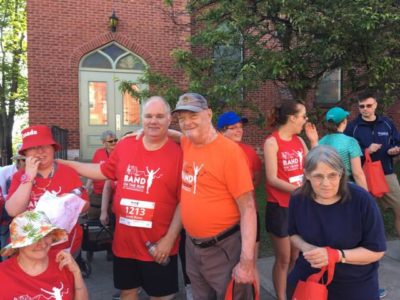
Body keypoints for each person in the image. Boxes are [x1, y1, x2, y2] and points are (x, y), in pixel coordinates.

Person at [58, 96, 183, 300]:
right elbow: (102, 171)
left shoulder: (179, 153)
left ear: (169, 120)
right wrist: (66, 164)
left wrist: (169, 240)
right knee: (127, 292)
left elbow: (184, 202)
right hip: (125, 243)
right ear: (141, 119)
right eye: (149, 116)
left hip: (159, 244)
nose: (153, 121)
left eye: (160, 116)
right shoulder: (126, 146)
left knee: (161, 296)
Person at [172, 93, 257, 299]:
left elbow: (248, 208)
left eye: (192, 115)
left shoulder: (229, 152)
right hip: (192, 246)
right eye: (182, 118)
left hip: (223, 248)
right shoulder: (189, 142)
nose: (186, 122)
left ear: (208, 114)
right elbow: (176, 135)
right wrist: (144, 131)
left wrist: (247, 263)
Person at [287, 145, 386, 299]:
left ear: (341, 174)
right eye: (318, 176)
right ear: (307, 174)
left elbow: (377, 251)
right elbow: (293, 233)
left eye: (332, 175)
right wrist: (307, 247)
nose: (326, 183)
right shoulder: (298, 199)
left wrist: (337, 255)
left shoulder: (362, 200)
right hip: (310, 280)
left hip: (354, 285)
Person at [5, 125, 89, 255]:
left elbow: (85, 206)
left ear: (53, 148)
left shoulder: (68, 172)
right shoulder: (19, 177)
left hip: (63, 247)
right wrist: (29, 177)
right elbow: (13, 211)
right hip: (29, 248)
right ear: (25, 153)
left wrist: (69, 202)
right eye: (32, 148)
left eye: (45, 146)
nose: (39, 151)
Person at [263, 100, 310, 300]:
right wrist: (299, 190)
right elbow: (272, 178)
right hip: (280, 208)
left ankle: (290, 292)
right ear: (292, 118)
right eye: (303, 116)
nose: (305, 120)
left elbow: (311, 166)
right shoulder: (272, 142)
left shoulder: (299, 141)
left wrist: (313, 141)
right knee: (283, 258)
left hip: (299, 207)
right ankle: (281, 297)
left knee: (295, 256)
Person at [217, 110, 262, 291]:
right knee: (224, 268)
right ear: (221, 131)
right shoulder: (215, 151)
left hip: (249, 215)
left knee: (251, 263)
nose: (239, 131)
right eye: (233, 128)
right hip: (224, 220)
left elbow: (257, 177)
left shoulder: (248, 151)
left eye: (240, 127)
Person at [344, 92, 400, 238]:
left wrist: (396, 149)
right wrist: (366, 150)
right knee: (365, 214)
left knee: (399, 208)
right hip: (363, 177)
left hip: (386, 174)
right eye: (362, 106)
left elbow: (397, 141)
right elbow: (345, 152)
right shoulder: (352, 127)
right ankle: (368, 248)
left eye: (369, 105)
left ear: (375, 105)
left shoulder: (387, 123)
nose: (365, 109)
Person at [0, 210, 89, 299]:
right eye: (34, 239)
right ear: (19, 245)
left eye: (46, 235)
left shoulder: (63, 261)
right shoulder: (3, 274)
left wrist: (77, 273)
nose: (42, 244)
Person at [306, 106, 368, 190]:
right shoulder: (351, 142)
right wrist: (366, 195)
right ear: (344, 121)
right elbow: (357, 174)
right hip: (346, 186)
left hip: (326, 186)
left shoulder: (319, 142)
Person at [85, 130, 117, 221]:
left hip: (114, 192)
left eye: (115, 140)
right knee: (92, 214)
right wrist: (87, 186)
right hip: (98, 192)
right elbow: (93, 171)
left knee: (112, 215)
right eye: (110, 141)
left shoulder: (119, 152)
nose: (114, 143)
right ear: (103, 143)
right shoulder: (99, 153)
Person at [0, 148, 26, 256]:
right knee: (6, 243)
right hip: (7, 215)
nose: (27, 163)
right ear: (18, 161)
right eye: (24, 160)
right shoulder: (5, 173)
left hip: (23, 216)